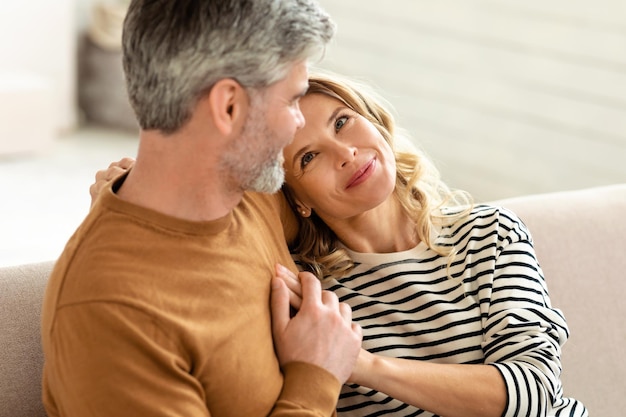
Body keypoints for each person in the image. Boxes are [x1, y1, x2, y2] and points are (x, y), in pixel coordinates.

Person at [92, 71, 588, 417]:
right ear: (298, 200)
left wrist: (364, 366)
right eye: (309, 158)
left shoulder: (490, 233)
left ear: (376, 122)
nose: (346, 153)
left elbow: (537, 390)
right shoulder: (313, 300)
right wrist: (123, 200)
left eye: (342, 122)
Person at [41, 2, 363, 417]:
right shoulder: (112, 315)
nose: (298, 123)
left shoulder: (252, 192)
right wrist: (316, 377)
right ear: (228, 107)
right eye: (292, 101)